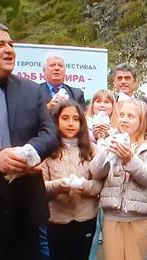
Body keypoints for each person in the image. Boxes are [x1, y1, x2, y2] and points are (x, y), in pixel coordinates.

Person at [0, 21, 59, 259]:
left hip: (25, 209)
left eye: (11, 44)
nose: (9, 49)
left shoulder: (31, 90)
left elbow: (49, 134)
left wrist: (30, 153)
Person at [90, 98, 147, 260]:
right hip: (112, 216)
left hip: (139, 219)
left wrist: (130, 158)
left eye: (130, 116)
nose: (124, 119)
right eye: (121, 114)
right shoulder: (110, 140)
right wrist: (108, 150)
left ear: (142, 121)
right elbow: (95, 171)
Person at [40, 100, 102, 260]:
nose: (70, 123)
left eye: (75, 119)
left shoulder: (91, 149)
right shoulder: (47, 150)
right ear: (56, 121)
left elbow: (99, 185)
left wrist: (84, 186)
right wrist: (60, 185)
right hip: (57, 221)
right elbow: (40, 188)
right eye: (65, 118)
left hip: (86, 218)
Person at [85, 89, 119, 260]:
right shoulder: (83, 126)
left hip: (111, 187)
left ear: (113, 106)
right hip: (88, 186)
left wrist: (107, 135)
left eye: (107, 102)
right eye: (98, 101)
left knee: (110, 234)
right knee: (91, 232)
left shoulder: (120, 129)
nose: (102, 105)